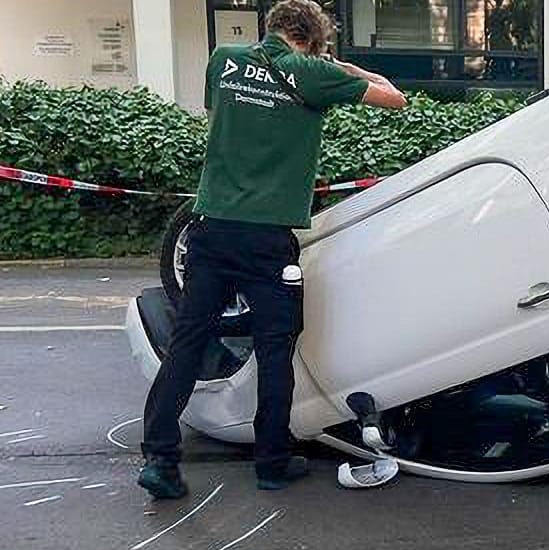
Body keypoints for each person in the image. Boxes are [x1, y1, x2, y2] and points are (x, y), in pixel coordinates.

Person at [138, 0, 410, 499]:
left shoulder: (224, 58)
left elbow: (220, 110)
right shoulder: (312, 72)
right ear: (314, 37)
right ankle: (272, 462)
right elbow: (396, 99)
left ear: (275, 27)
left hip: (211, 229)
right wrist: (342, 66)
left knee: (188, 343)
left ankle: (159, 457)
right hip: (266, 241)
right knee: (275, 348)